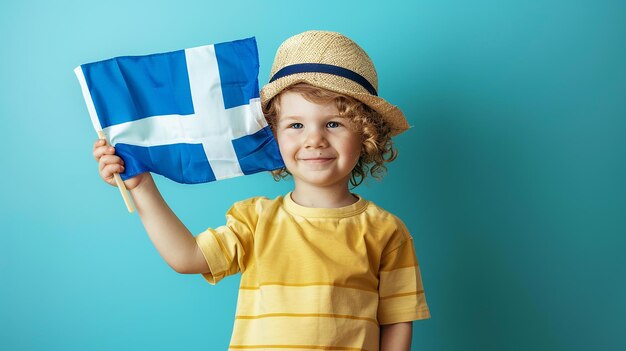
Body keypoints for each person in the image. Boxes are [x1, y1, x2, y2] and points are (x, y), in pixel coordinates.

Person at [93, 30, 430, 351]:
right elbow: (187, 257)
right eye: (296, 125)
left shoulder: (387, 232)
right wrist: (141, 185)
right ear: (273, 136)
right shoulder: (255, 220)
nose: (314, 139)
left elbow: (397, 321)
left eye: (334, 123)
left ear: (366, 134)